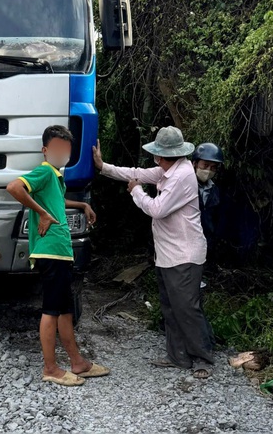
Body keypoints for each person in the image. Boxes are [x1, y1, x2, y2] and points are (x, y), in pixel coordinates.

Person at [93, 127, 215, 379]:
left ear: (160, 156)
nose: (155, 160)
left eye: (157, 155)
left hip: (184, 254)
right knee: (171, 307)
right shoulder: (168, 170)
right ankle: (178, 356)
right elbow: (136, 173)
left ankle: (203, 358)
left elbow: (157, 209)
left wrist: (136, 191)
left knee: (187, 308)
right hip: (169, 254)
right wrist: (104, 167)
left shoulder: (181, 176)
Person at [7, 125, 109, 386]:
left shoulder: (55, 177)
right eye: (57, 148)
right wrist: (41, 214)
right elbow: (14, 187)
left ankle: (78, 363)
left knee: (65, 310)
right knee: (52, 310)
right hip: (50, 251)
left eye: (67, 149)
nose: (63, 153)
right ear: (45, 150)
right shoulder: (44, 171)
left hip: (61, 252)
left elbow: (58, 201)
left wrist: (83, 204)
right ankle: (50, 368)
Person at [192, 143, 224, 268]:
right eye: (205, 165)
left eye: (213, 167)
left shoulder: (214, 190)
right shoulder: (184, 185)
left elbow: (216, 218)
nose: (208, 171)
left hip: (205, 240)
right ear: (195, 164)